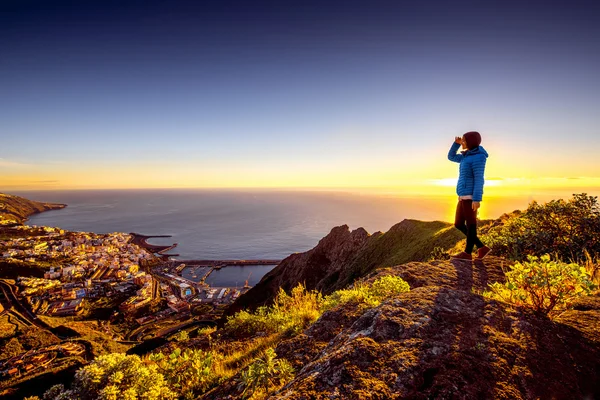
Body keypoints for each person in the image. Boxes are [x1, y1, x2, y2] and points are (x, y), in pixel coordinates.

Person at [447, 131, 491, 260]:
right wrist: (456, 144)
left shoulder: (478, 157)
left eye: (464, 141)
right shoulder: (465, 156)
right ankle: (482, 248)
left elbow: (479, 178)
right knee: (458, 224)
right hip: (462, 195)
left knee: (471, 225)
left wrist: (477, 199)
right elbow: (451, 157)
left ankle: (467, 253)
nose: (463, 143)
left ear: (471, 142)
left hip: (470, 196)